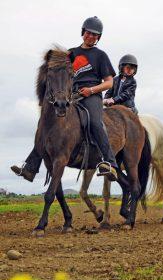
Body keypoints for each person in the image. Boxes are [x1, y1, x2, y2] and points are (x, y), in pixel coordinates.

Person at [11, 16, 118, 181]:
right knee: (47, 124)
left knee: (95, 122)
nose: (91, 36)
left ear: (98, 38)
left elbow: (109, 83)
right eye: (89, 33)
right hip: (72, 95)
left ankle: (110, 163)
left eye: (95, 35)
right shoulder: (70, 54)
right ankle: (31, 167)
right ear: (83, 32)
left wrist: (91, 90)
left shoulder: (100, 56)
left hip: (91, 95)